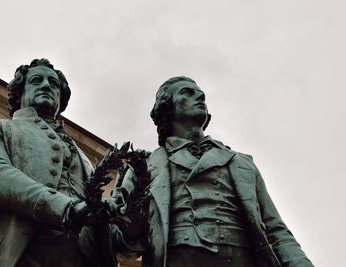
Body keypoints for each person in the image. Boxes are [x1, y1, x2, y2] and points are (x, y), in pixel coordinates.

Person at [116, 76, 313, 267]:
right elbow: (121, 241)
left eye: (201, 94)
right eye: (188, 93)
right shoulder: (144, 166)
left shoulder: (241, 163)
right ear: (167, 107)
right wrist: (129, 217)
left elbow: (276, 231)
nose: (200, 97)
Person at [0, 59, 116, 267]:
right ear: (19, 92)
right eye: (36, 80)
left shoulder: (84, 158)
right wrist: (64, 207)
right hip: (18, 257)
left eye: (53, 83)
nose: (46, 85)